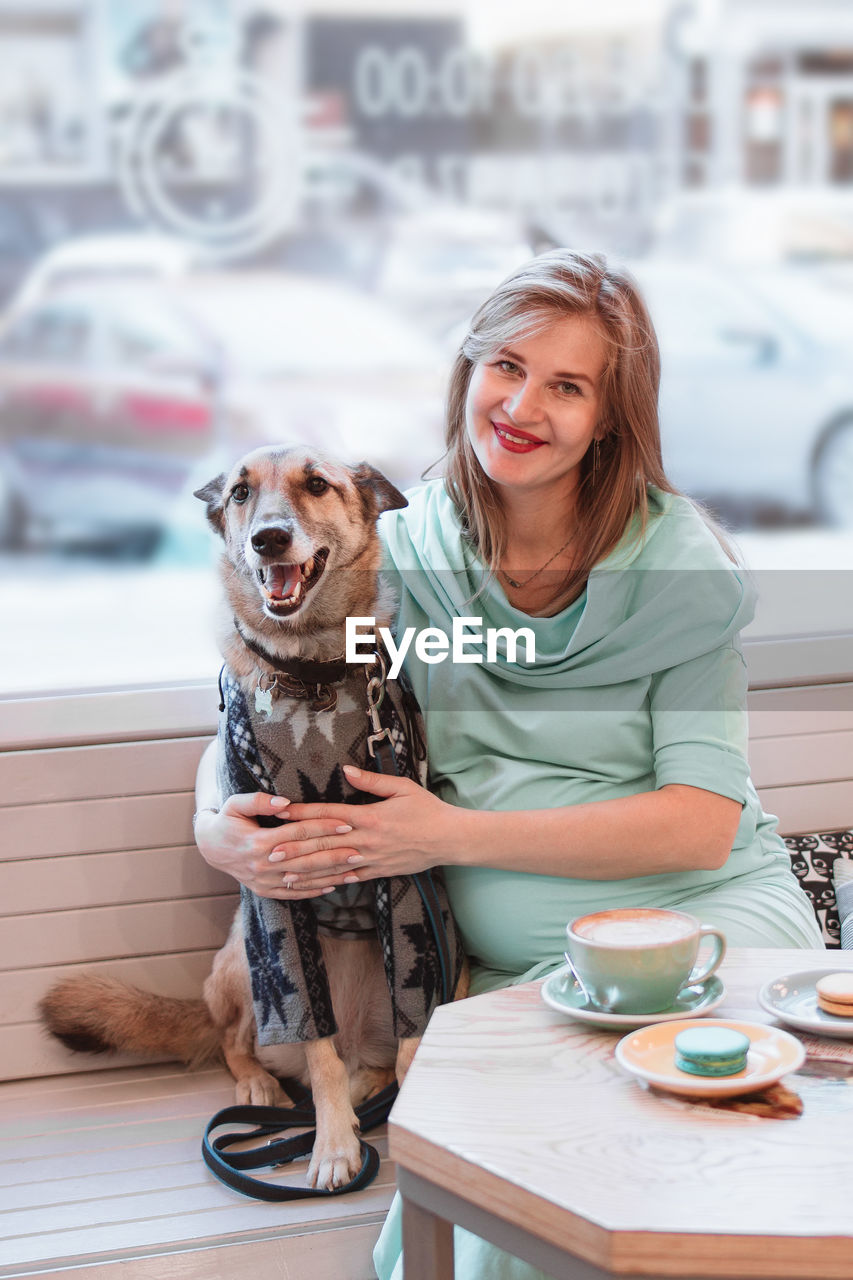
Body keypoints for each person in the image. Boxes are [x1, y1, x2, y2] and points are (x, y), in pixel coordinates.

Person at [194, 250, 823, 1280]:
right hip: (516, 977)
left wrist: (445, 833)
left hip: (709, 928)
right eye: (506, 367)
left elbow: (701, 821)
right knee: (505, 1222)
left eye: (566, 386)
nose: (522, 404)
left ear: (611, 417)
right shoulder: (399, 549)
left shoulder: (676, 570)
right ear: (468, 373)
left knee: (719, 1172)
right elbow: (258, 693)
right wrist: (215, 827)